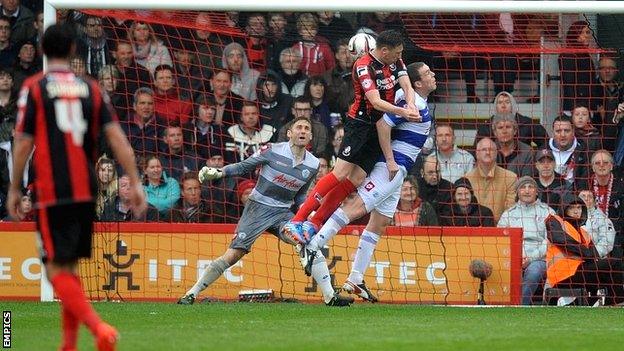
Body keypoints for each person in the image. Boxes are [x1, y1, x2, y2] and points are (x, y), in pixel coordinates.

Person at [7, 23, 146, 351]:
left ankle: (99, 328)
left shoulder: (34, 86)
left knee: (56, 271)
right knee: (69, 268)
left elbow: (23, 142)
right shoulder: (91, 88)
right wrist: (136, 181)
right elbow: (116, 138)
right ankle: (68, 345)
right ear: (73, 50)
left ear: (42, 50)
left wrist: (15, 187)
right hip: (86, 189)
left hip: (51, 190)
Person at [176, 117, 353, 306]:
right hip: (257, 209)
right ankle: (191, 293)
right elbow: (245, 166)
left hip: (282, 213)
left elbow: (301, 196)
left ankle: (330, 296)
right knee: (233, 255)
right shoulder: (272, 151)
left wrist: (306, 213)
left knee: (307, 242)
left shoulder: (313, 164)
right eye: (299, 127)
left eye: (307, 128)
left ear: (310, 136)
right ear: (289, 133)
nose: (302, 131)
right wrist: (220, 172)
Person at [297, 62, 435, 303]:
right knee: (356, 207)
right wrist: (391, 161)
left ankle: (355, 279)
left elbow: (400, 82)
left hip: (398, 168)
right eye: (427, 73)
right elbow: (383, 125)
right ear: (419, 83)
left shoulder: (409, 97)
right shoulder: (417, 107)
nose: (433, 75)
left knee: (379, 223)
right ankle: (314, 245)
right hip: (391, 167)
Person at [284, 29, 419, 243]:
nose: (399, 56)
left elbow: (406, 84)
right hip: (360, 124)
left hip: (379, 127)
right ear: (384, 51)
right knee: (340, 173)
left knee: (357, 179)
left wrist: (411, 103)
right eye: (396, 53)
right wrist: (404, 111)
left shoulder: (396, 61)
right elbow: (375, 102)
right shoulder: (363, 66)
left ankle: (314, 223)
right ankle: (297, 219)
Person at [544, 196, 624, 305]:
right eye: (572, 208)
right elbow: (561, 239)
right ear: (564, 208)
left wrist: (589, 255)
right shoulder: (554, 221)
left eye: (579, 207)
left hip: (579, 272)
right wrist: (587, 253)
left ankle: (609, 303)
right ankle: (617, 302)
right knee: (613, 264)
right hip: (561, 274)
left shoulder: (583, 232)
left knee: (610, 270)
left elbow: (594, 254)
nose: (577, 211)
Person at [497, 176, 555, 305]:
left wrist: (530, 257)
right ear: (517, 192)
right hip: (513, 256)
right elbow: (501, 240)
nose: (527, 190)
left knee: (533, 272)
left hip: (540, 258)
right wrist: (518, 257)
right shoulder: (508, 214)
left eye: (531, 187)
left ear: (536, 191)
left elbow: (551, 241)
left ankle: (519, 306)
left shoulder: (548, 212)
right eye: (523, 187)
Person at [465, 137, 517, 222]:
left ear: (496, 154)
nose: (488, 152)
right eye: (484, 149)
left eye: (491, 150)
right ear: (477, 154)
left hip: (501, 228)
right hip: (473, 228)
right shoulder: (467, 179)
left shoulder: (510, 178)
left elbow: (510, 210)